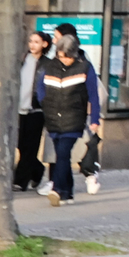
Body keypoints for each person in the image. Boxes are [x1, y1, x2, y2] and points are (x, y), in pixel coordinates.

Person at [32, 24, 102, 204]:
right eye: (60, 56)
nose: (63, 60)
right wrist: (45, 103)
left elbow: (93, 95)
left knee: (63, 153)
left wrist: (94, 119)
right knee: (62, 155)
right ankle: (67, 193)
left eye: (66, 57)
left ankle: (56, 189)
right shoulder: (50, 66)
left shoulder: (85, 67)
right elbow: (40, 88)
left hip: (74, 117)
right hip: (53, 117)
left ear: (73, 54)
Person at [12, 30, 50, 192]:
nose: (32, 45)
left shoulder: (47, 64)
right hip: (19, 108)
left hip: (36, 109)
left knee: (30, 146)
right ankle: (37, 170)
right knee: (20, 144)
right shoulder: (21, 61)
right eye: (31, 41)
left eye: (36, 42)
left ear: (44, 44)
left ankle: (20, 181)